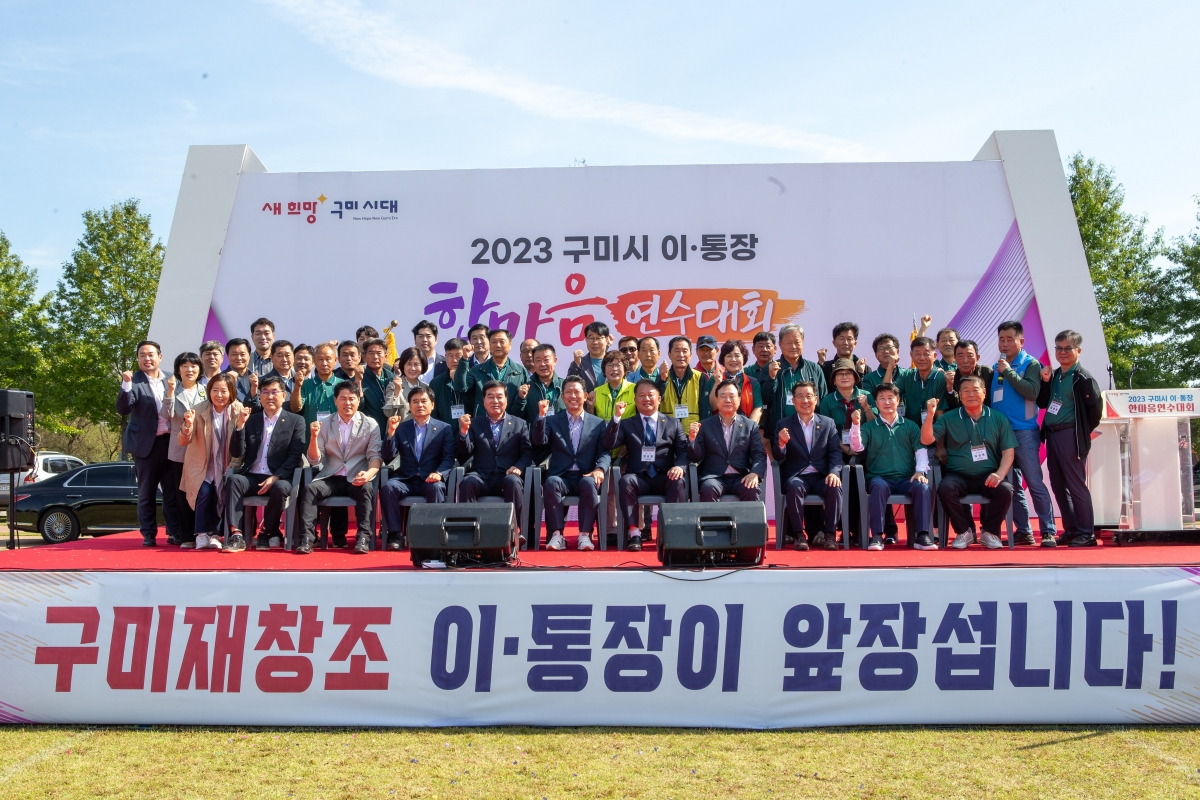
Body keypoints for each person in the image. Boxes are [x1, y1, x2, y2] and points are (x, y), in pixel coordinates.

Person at [922, 375, 1016, 550]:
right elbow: (926, 439)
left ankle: (990, 532)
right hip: (958, 475)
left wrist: (999, 474)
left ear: (984, 392)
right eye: (966, 391)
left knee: (1005, 490)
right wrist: (930, 416)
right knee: (945, 489)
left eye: (975, 390)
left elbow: (1008, 451)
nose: (971, 394)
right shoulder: (949, 417)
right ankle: (964, 532)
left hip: (988, 475)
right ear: (959, 394)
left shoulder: (998, 418)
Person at [297, 382, 383, 555]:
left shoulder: (370, 424)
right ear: (335, 400)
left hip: (356, 476)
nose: (347, 402)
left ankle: (363, 538)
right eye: (343, 398)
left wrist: (368, 474)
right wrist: (313, 438)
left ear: (358, 400)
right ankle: (307, 538)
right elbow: (315, 460)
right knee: (310, 489)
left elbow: (375, 456)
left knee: (366, 488)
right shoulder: (324, 423)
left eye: (352, 398)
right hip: (331, 476)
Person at [602, 379, 688, 551]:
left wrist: (679, 466)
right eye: (641, 395)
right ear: (635, 400)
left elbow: (683, 451)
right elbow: (608, 443)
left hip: (664, 476)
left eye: (650, 395)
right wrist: (616, 418)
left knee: (678, 481)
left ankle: (670, 533)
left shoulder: (673, 423)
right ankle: (634, 534)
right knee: (625, 481)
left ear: (659, 399)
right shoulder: (627, 424)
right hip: (639, 478)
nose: (646, 399)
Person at [224, 374, 306, 552]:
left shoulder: (296, 421)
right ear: (259, 395)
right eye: (265, 392)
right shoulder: (252, 420)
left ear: (283, 395)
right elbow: (237, 453)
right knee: (233, 481)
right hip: (253, 476)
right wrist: (239, 426)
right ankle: (236, 534)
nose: (269, 396)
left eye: (274, 392)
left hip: (278, 477)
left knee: (281, 488)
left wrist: (276, 476)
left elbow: (295, 455)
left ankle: (267, 531)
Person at [993, 320, 1056, 547]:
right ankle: (1023, 531)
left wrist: (1008, 372)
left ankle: (1048, 530)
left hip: (1024, 432)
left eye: (1010, 339)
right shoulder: (997, 366)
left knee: (1034, 482)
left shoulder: (1031, 364)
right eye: (1002, 339)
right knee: (1012, 486)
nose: (1005, 343)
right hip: (1001, 435)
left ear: (1021, 341)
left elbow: (1031, 392)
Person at [1037, 330, 1102, 547]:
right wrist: (1045, 382)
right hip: (1052, 434)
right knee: (1058, 484)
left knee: (1076, 484)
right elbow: (1043, 403)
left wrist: (1080, 432)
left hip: (1070, 435)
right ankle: (1072, 529)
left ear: (1078, 351)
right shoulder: (1055, 375)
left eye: (1068, 348)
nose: (1062, 352)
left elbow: (1095, 411)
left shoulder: (1083, 378)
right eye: (1059, 348)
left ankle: (1087, 533)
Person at [848, 383, 932, 551]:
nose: (886, 402)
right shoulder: (869, 427)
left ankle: (922, 535)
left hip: (906, 478)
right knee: (878, 487)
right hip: (879, 477)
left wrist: (920, 471)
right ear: (876, 403)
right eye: (882, 398)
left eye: (890, 398)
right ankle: (877, 536)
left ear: (898, 400)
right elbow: (857, 447)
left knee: (922, 487)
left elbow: (920, 449)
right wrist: (855, 424)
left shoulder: (910, 426)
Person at [534, 375, 611, 551]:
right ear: (563, 397)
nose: (573, 396)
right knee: (551, 482)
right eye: (568, 392)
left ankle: (584, 534)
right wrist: (541, 416)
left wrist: (600, 469)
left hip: (586, 474)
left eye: (577, 392)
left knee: (589, 483)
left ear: (585, 396)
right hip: (561, 475)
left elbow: (604, 451)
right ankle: (557, 535)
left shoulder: (598, 423)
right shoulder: (553, 421)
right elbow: (539, 441)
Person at [117, 341, 182, 547]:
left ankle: (174, 532)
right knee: (147, 492)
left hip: (170, 442)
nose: (147, 358)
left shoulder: (171, 379)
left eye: (151, 354)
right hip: (146, 445)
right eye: (142, 355)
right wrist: (126, 384)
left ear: (160, 357)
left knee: (172, 491)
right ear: (137, 358)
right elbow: (123, 409)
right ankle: (148, 534)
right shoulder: (133, 380)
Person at [456, 380, 533, 542]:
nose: (495, 401)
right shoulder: (475, 423)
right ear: (484, 400)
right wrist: (463, 432)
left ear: (506, 399)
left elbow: (527, 453)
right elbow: (465, 452)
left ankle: (515, 531)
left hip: (506, 475)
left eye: (499, 396)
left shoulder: (519, 424)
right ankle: (468, 532)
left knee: (514, 481)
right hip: (482, 476)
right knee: (467, 482)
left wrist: (518, 467)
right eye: (490, 397)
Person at [379, 385, 454, 550]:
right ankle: (395, 534)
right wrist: (390, 433)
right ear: (409, 405)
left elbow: (448, 458)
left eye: (424, 401)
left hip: (430, 478)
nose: (420, 405)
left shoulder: (444, 429)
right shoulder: (401, 428)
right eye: (415, 401)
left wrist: (439, 473)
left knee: (436, 487)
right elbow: (388, 455)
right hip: (406, 478)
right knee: (389, 487)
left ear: (432, 404)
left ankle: (432, 534)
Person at [178, 373, 245, 551]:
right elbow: (183, 441)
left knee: (220, 494)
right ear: (209, 391)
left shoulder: (238, 409)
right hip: (202, 464)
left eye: (224, 391)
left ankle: (215, 534)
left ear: (231, 393)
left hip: (228, 464)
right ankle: (201, 534)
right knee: (205, 492)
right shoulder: (198, 409)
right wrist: (187, 425)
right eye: (215, 390)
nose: (219, 395)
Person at [774, 380, 843, 550]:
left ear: (816, 399)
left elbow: (835, 452)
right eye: (800, 396)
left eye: (809, 396)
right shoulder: (783, 424)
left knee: (834, 486)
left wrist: (834, 472)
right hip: (798, 476)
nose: (805, 400)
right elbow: (778, 456)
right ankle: (799, 535)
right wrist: (781, 444)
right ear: (793, 400)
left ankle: (830, 534)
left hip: (821, 475)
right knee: (794, 487)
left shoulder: (828, 423)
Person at [688, 379, 767, 503]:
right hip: (714, 478)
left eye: (732, 396)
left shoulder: (750, 425)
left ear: (739, 399)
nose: (728, 400)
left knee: (751, 488)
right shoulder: (705, 425)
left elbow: (759, 454)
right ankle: (713, 518)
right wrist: (692, 440)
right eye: (723, 396)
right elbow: (696, 457)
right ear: (716, 400)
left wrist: (755, 473)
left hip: (741, 476)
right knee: (708, 488)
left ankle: (748, 518)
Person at [163, 352, 208, 547]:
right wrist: (170, 392)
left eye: (193, 366)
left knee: (202, 491)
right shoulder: (173, 390)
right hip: (179, 449)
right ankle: (186, 536)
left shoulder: (206, 390)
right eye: (185, 366)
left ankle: (203, 532)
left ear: (199, 369)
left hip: (202, 447)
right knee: (181, 493)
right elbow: (166, 414)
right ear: (178, 370)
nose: (190, 370)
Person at [762, 325, 828, 441]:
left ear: (803, 343)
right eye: (789, 342)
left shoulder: (814, 369)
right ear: (780, 344)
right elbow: (764, 399)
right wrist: (771, 378)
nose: (793, 346)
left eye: (797, 342)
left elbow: (823, 401)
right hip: (779, 433)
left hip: (810, 434)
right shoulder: (769, 368)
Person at [454, 328, 529, 417]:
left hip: (511, 422)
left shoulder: (520, 371)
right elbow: (460, 388)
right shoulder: (477, 370)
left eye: (502, 341)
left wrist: (521, 398)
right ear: (489, 344)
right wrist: (464, 359)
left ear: (510, 345)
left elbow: (528, 401)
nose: (498, 345)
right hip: (483, 422)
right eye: (494, 342)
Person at [290, 342, 344, 444]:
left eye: (328, 359)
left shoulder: (344, 385)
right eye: (320, 359)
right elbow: (295, 408)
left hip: (337, 439)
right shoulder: (305, 384)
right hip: (311, 439)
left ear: (335, 360)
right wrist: (297, 386)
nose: (324, 363)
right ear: (314, 361)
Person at [709, 339, 763, 425]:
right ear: (723, 359)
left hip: (746, 428)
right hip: (719, 428)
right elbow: (712, 407)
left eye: (737, 355)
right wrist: (717, 383)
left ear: (743, 358)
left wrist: (749, 428)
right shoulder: (714, 379)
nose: (733, 359)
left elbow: (758, 408)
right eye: (729, 356)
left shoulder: (752, 382)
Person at [818, 358, 874, 439]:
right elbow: (825, 430)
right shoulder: (827, 401)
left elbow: (875, 426)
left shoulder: (867, 396)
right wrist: (841, 445)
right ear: (834, 380)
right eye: (840, 374)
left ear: (855, 378)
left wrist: (866, 407)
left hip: (866, 443)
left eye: (848, 373)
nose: (844, 377)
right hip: (837, 445)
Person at [897, 337, 947, 426]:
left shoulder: (941, 378)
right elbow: (890, 393)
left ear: (935, 356)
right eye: (917, 354)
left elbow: (940, 413)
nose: (922, 358)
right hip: (909, 429)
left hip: (933, 429)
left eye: (926, 354)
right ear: (911, 355)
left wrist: (938, 433)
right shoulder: (906, 375)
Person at [659, 336, 704, 428]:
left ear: (690, 354)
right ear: (669, 354)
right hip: (668, 432)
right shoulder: (662, 376)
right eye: (677, 350)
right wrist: (662, 381)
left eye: (685, 351)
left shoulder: (699, 377)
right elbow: (656, 402)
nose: (681, 355)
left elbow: (705, 409)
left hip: (692, 432)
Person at [383, 347, 431, 422]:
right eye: (409, 364)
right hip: (399, 429)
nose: (413, 368)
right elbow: (388, 413)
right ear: (403, 366)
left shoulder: (426, 387)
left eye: (416, 364)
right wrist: (397, 392)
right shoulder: (393, 386)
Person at [357, 337, 395, 432]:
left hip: (392, 430)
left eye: (379, 353)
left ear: (385, 356)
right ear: (364, 356)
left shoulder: (392, 377)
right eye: (371, 353)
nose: (375, 357)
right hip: (369, 432)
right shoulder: (359, 378)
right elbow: (359, 406)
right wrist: (358, 382)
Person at [943, 340, 993, 410]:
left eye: (970, 356)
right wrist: (950, 388)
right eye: (961, 356)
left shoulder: (987, 373)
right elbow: (954, 408)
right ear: (955, 358)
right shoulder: (951, 378)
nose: (965, 361)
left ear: (977, 358)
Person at [818, 322, 869, 387]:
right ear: (834, 343)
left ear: (855, 344)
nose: (845, 343)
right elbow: (818, 388)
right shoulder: (826, 367)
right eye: (841, 339)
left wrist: (860, 373)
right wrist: (820, 364)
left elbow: (866, 392)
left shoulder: (864, 369)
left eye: (849, 339)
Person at [568, 322, 613, 393]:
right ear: (586, 339)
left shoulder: (614, 362)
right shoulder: (579, 363)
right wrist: (576, 365)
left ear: (607, 340)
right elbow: (569, 385)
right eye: (591, 338)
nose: (595, 342)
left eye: (598, 338)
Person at [430, 338, 467, 426]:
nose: (454, 360)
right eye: (450, 355)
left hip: (469, 430)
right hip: (444, 431)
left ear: (466, 356)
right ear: (445, 356)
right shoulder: (435, 383)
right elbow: (433, 413)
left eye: (458, 355)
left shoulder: (473, 377)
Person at [861, 333, 909, 397]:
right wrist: (890, 368)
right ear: (876, 355)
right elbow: (869, 401)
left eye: (889, 347)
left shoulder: (908, 375)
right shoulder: (869, 379)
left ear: (897, 352)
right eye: (881, 349)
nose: (886, 351)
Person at [694, 334, 721, 420]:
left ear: (717, 350)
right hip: (698, 423)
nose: (706, 353)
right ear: (696, 351)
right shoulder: (691, 375)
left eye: (709, 349)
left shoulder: (725, 373)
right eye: (702, 350)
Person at [261, 340, 296, 405]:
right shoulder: (262, 381)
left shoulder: (304, 381)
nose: (284, 359)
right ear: (271, 357)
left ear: (293, 356)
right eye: (279, 356)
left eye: (287, 355)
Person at [225, 337, 256, 406]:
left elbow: (260, 406)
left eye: (242, 354)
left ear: (249, 355)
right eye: (234, 354)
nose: (239, 358)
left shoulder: (257, 378)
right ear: (228, 356)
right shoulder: (220, 378)